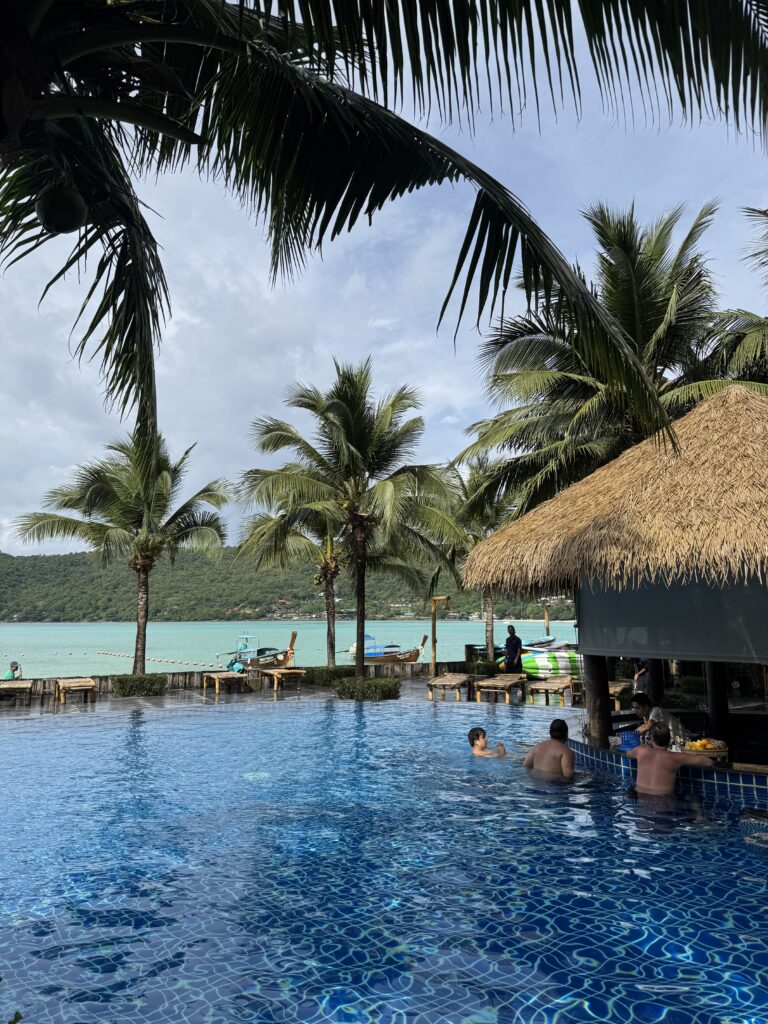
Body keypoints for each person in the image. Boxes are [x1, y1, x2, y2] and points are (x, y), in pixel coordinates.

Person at [626, 722, 704, 796]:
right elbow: (705, 761)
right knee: (692, 799)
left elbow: (628, 754)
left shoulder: (640, 751)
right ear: (669, 739)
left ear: (651, 738)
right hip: (664, 802)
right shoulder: (676, 757)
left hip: (642, 803)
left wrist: (647, 746)